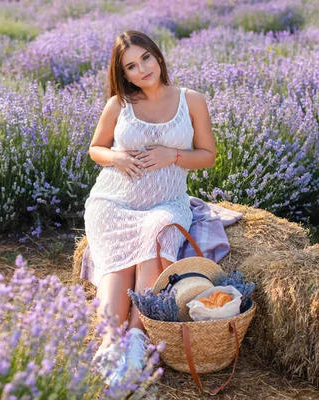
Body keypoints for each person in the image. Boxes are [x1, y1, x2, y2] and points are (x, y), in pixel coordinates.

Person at [84, 30, 216, 384]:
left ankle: (136, 339)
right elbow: (95, 148)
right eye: (131, 66)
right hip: (114, 200)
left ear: (157, 56)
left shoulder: (191, 100)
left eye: (145, 58)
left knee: (156, 232)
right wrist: (115, 157)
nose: (142, 69)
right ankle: (113, 345)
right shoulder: (119, 105)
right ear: (123, 74)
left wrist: (172, 155)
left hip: (165, 201)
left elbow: (207, 156)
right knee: (115, 265)